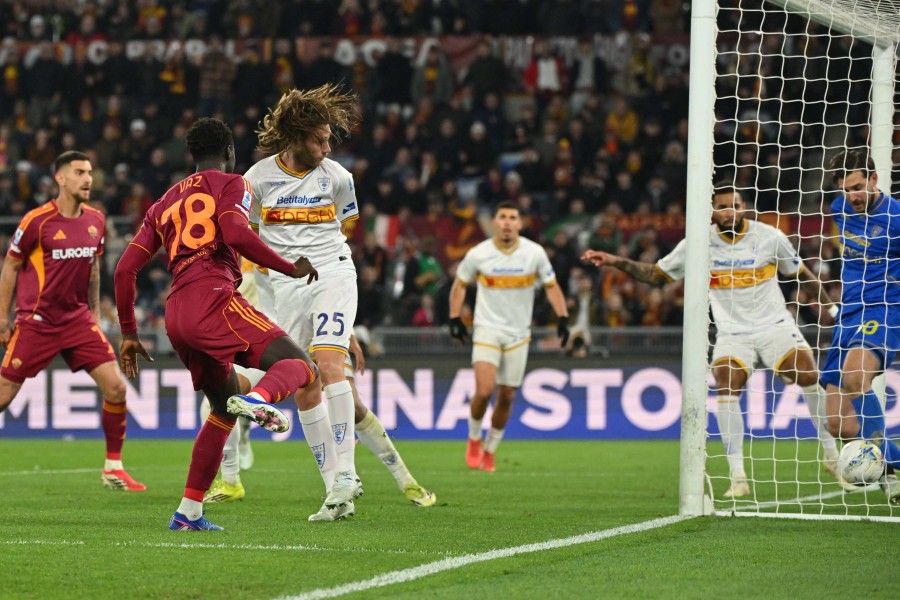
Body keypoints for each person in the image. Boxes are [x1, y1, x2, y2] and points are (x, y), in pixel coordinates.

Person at [114, 117, 321, 531]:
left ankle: (188, 513)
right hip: (214, 298)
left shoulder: (163, 203)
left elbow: (124, 270)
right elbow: (236, 233)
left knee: (222, 410)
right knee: (304, 367)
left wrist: (130, 333)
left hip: (176, 314)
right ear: (229, 151)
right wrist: (289, 268)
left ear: (193, 154)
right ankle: (259, 399)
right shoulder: (232, 183)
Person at [581, 183, 843, 497]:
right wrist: (615, 260)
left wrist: (832, 310)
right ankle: (738, 477)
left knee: (809, 375)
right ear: (713, 211)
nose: (729, 212)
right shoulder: (698, 244)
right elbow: (654, 275)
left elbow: (801, 275)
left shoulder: (769, 237)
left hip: (774, 325)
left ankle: (832, 456)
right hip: (732, 333)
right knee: (727, 386)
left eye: (735, 205)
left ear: (743, 207)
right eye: (722, 207)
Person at [246, 83, 364, 521]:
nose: (327, 147)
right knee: (304, 382)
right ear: (296, 136)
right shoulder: (257, 179)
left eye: (329, 139)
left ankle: (348, 471)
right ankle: (335, 493)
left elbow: (347, 230)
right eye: (319, 139)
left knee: (329, 362)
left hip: (332, 271)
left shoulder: (338, 177)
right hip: (285, 285)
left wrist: (340, 308)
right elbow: (250, 237)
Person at [0, 151, 146, 492]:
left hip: (78, 321)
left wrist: (93, 313)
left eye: (90, 172)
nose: (88, 178)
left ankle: (113, 468)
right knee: (4, 395)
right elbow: (11, 267)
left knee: (116, 388)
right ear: (61, 178)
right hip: (37, 322)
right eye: (79, 172)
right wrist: (3, 318)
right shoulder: (36, 221)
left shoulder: (96, 220)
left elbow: (93, 269)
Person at [203, 333, 437, 509]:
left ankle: (406, 481)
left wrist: (348, 333)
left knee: (353, 405)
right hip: (274, 335)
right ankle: (231, 480)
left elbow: (328, 287)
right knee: (226, 396)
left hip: (318, 332)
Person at [449, 201, 570, 472]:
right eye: (502, 216)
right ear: (494, 222)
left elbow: (552, 286)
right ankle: (474, 437)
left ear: (520, 224)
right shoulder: (479, 253)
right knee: (484, 390)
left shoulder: (534, 253)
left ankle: (490, 450)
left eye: (512, 217)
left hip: (518, 335)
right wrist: (455, 317)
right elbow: (460, 284)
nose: (507, 222)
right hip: (487, 330)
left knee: (506, 396)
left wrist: (562, 316)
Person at [821, 149, 900, 504]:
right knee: (840, 425)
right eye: (846, 189)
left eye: (857, 187)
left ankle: (889, 473)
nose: (852, 196)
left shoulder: (896, 218)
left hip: (884, 310)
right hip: (848, 316)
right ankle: (892, 460)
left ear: (874, 179)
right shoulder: (839, 209)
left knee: (855, 377)